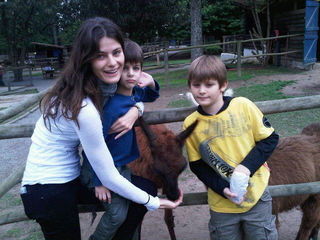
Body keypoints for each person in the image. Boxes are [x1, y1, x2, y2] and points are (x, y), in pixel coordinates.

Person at [20, 17, 182, 240]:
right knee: (141, 197)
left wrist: (137, 109)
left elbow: (132, 95)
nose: (113, 62)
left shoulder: (100, 84)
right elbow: (108, 174)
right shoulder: (84, 107)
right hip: (47, 188)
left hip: (71, 176)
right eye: (100, 56)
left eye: (116, 52)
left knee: (145, 186)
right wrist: (154, 203)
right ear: (86, 59)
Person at [183, 55, 279, 240]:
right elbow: (197, 165)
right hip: (221, 205)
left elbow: (270, 139)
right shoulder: (191, 123)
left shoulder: (243, 106)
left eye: (209, 84)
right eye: (196, 85)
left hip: (256, 197)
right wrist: (222, 189)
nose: (201, 91)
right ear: (190, 86)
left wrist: (245, 168)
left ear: (222, 85)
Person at [82, 39, 160, 240]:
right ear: (117, 70)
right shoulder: (110, 106)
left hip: (121, 168)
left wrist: (151, 82)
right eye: (126, 68)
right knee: (117, 214)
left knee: (132, 207)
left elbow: (151, 95)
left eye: (137, 68)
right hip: (97, 171)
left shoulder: (134, 94)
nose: (131, 74)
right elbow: (92, 146)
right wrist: (98, 182)